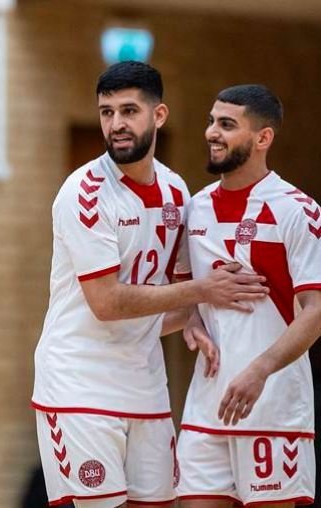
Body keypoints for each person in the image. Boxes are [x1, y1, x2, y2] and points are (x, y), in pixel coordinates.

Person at [31, 61, 269, 508]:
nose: (116, 124)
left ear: (158, 116)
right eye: (106, 113)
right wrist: (202, 292)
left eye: (128, 111)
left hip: (146, 388)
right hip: (78, 385)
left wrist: (195, 317)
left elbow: (171, 297)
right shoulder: (83, 192)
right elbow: (107, 301)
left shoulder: (178, 192)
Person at [176, 85, 321, 507]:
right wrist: (192, 321)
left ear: (263, 138)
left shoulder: (297, 210)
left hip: (272, 406)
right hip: (207, 405)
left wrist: (260, 369)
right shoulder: (196, 209)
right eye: (211, 121)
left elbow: (315, 312)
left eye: (226, 124)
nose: (211, 133)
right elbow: (189, 294)